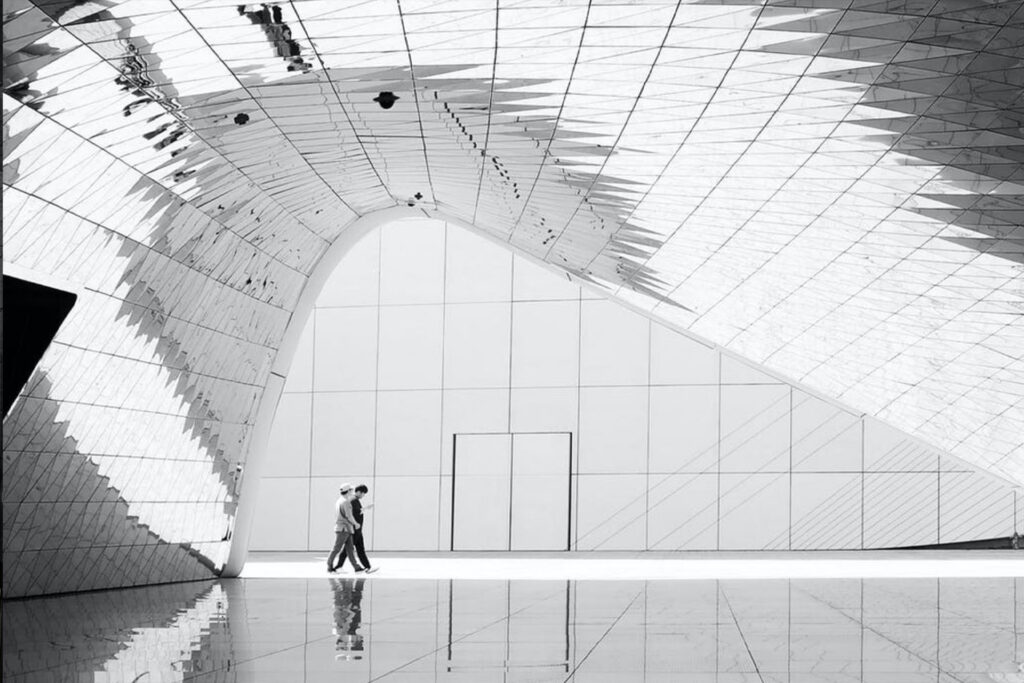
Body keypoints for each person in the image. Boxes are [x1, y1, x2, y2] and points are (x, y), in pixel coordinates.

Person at [337, 484, 377, 573]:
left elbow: (357, 511)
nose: (363, 495)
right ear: (358, 492)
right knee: (348, 549)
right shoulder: (353, 500)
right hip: (355, 530)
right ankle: (338, 566)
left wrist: (365, 508)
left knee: (360, 549)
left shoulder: (354, 500)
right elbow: (353, 514)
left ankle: (368, 567)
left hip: (357, 530)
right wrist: (366, 509)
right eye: (363, 493)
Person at [327, 484, 365, 574]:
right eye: (351, 490)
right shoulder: (346, 502)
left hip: (345, 529)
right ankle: (329, 566)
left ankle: (357, 568)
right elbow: (349, 516)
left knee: (350, 549)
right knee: (337, 548)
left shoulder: (339, 501)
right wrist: (356, 524)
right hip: (344, 529)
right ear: (348, 491)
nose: (352, 491)